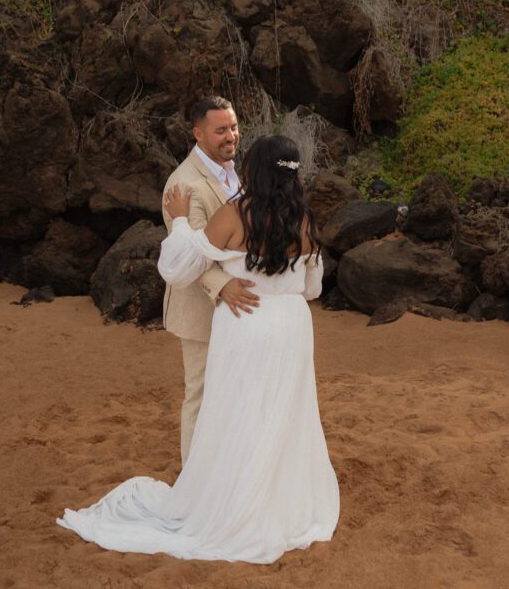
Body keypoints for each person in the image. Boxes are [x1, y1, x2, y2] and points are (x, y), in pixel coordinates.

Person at [56, 135, 339, 564]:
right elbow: (313, 289)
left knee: (237, 410)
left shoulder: (234, 215)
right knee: (285, 410)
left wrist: (182, 221)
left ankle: (233, 500)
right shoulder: (305, 221)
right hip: (291, 326)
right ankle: (278, 501)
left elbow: (178, 267)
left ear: (256, 170)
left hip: (246, 321)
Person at [160, 96, 260, 465]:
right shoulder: (182, 185)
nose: (230, 136)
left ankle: (226, 470)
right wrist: (222, 286)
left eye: (233, 127)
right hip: (201, 308)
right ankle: (192, 480)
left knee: (235, 392)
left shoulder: (236, 170)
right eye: (220, 130)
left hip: (238, 307)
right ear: (198, 134)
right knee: (200, 395)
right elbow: (188, 252)